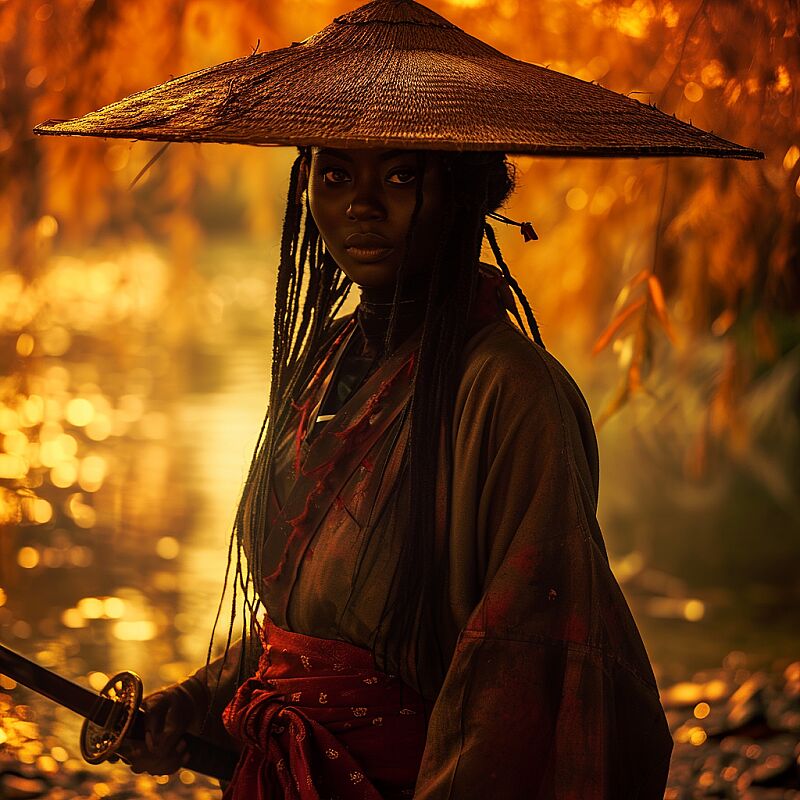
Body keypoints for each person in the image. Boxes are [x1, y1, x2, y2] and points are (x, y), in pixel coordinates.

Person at [34, 0, 761, 796]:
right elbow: (310, 622)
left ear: (470, 192)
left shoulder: (514, 396)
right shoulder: (321, 364)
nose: (362, 204)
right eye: (336, 172)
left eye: (403, 174)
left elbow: (525, 668)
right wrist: (198, 702)